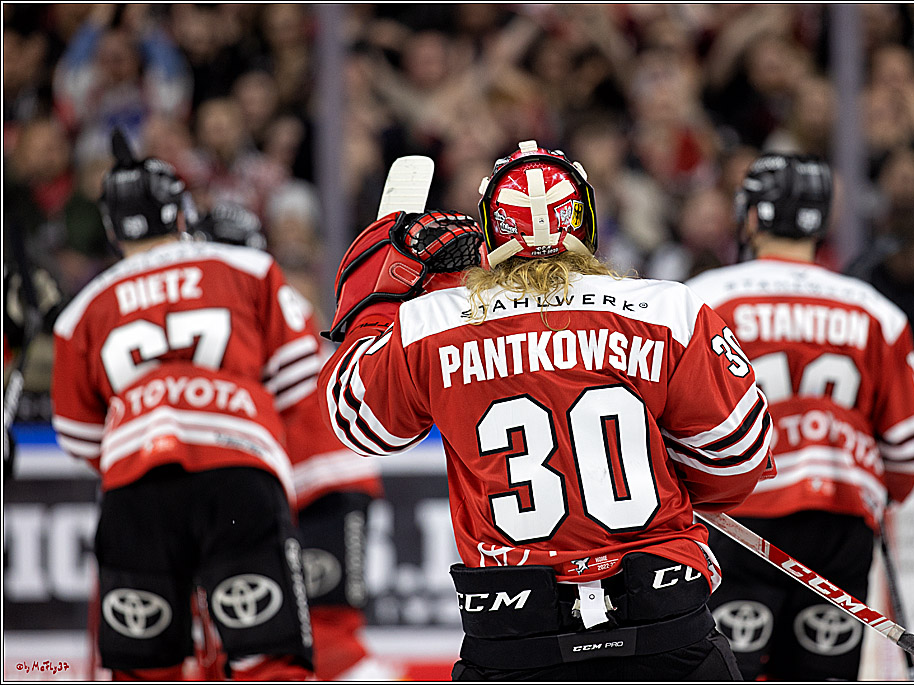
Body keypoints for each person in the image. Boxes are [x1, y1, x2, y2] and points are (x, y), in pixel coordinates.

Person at [317, 140, 777, 681]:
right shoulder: (667, 308)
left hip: (515, 633)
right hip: (663, 616)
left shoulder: (432, 323)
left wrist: (380, 298)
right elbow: (739, 460)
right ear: (585, 222)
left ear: (489, 231)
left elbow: (359, 423)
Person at [50, 131, 315, 681]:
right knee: (269, 657)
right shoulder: (246, 268)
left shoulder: (83, 310)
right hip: (238, 473)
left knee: (146, 668)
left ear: (109, 227)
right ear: (180, 211)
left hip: (135, 485)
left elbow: (78, 437)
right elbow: (296, 375)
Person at [686, 153, 914, 681]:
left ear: (753, 216)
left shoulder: (702, 299)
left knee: (728, 670)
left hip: (736, 524)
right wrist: (878, 497)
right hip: (840, 526)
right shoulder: (874, 309)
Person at [189, 201, 387, 680]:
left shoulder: (241, 301)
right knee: (280, 630)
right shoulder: (265, 295)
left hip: (312, 485)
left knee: (318, 634)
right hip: (313, 482)